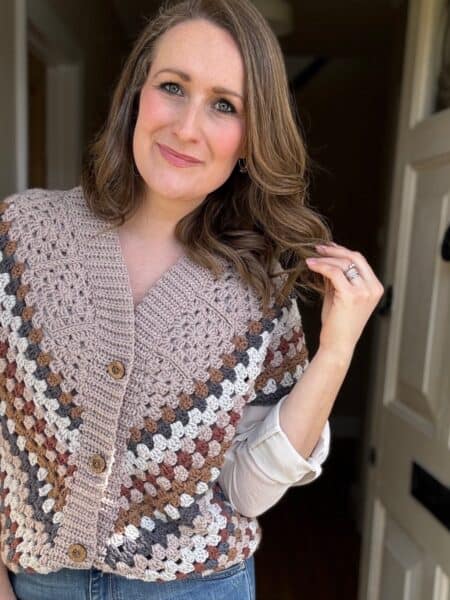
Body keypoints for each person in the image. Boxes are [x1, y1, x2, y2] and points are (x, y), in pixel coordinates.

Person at [0, 0, 383, 598]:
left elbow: (247, 493)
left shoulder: (257, 292)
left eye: (224, 105)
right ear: (136, 94)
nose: (186, 127)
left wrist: (337, 349)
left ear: (250, 139)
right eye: (173, 87)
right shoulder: (23, 236)